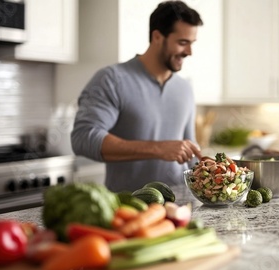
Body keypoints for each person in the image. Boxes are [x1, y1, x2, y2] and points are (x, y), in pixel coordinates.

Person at [71, 1, 203, 192]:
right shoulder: (112, 79)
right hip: (128, 208)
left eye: (192, 43)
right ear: (157, 36)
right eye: (182, 43)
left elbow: (191, 155)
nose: (189, 52)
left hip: (180, 205)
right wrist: (158, 149)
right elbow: (83, 138)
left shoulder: (185, 88)